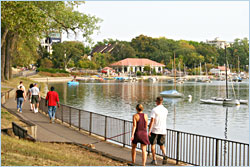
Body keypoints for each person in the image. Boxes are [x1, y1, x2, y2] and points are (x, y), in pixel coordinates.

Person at [148, 96, 168, 165]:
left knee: (153, 145)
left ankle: (154, 159)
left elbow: (152, 121)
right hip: (163, 130)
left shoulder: (154, 110)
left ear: (157, 101)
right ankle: (164, 154)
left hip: (155, 130)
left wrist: (149, 130)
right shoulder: (166, 110)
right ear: (162, 101)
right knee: (162, 144)